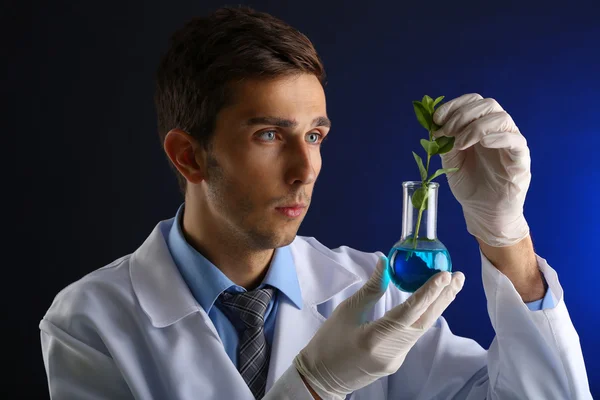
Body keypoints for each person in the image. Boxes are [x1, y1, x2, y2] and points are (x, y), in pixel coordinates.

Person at [39, 5, 592, 400]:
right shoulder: (91, 321)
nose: (306, 171)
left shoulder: (372, 291)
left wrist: (506, 239)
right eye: (269, 135)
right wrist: (314, 386)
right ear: (189, 156)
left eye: (314, 136)